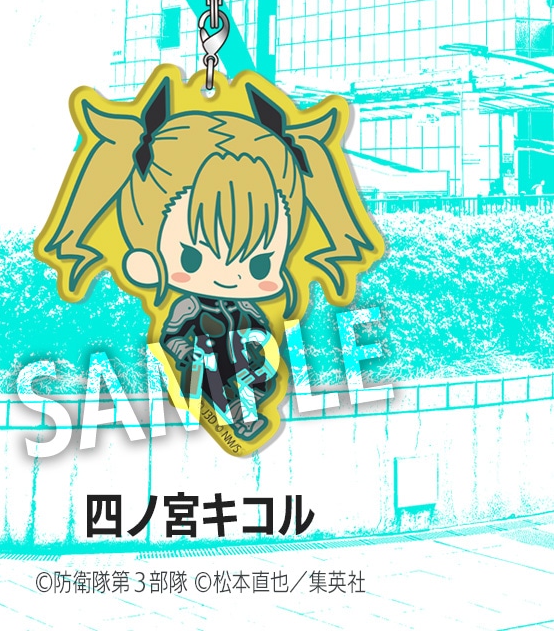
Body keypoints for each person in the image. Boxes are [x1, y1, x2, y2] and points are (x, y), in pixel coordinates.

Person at [35, 66, 382, 453]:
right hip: (202, 368)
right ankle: (234, 409)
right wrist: (187, 352)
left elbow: (259, 334)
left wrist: (257, 349)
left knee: (246, 368)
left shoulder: (247, 307)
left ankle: (241, 409)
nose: (230, 276)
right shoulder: (186, 305)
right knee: (217, 368)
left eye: (259, 264)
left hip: (241, 367)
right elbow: (172, 337)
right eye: (192, 256)